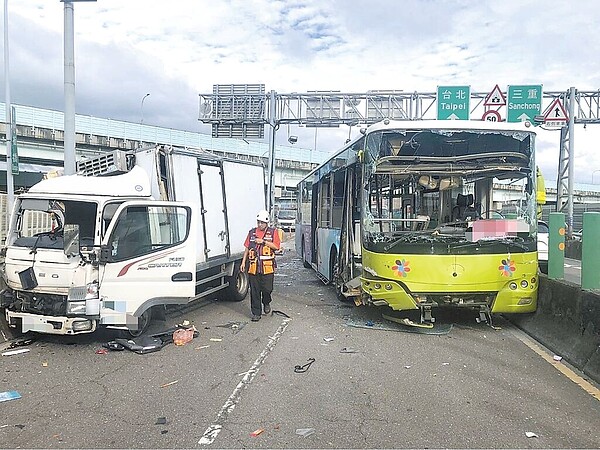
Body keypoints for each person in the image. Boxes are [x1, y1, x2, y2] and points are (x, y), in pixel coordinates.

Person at [241, 209, 281, 321]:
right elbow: (247, 248)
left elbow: (276, 246)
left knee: (267, 289)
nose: (259, 224)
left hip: (267, 267)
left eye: (262, 222)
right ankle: (256, 313)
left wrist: (263, 242)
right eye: (258, 222)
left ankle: (266, 302)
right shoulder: (251, 233)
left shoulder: (273, 232)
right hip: (253, 267)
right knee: (254, 291)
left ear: (266, 223)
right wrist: (243, 262)